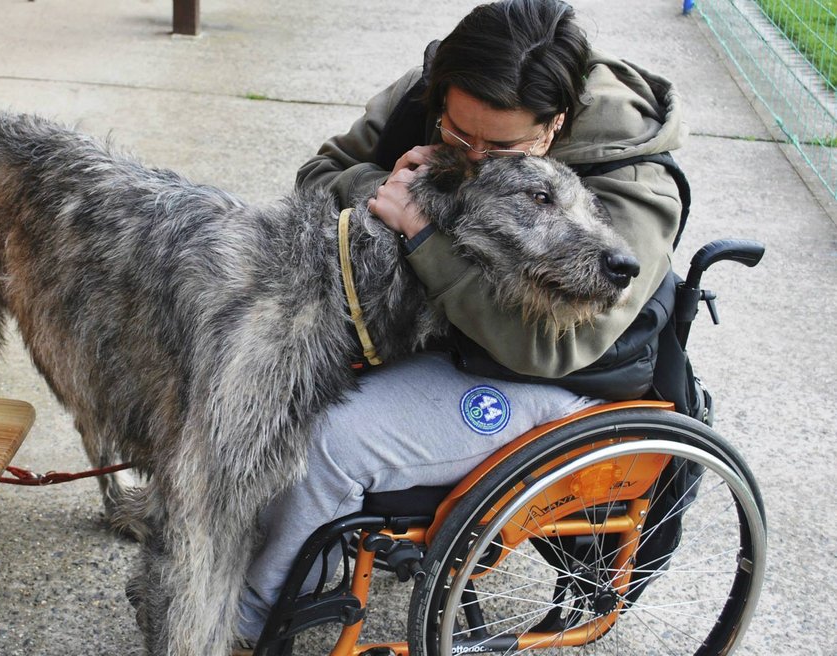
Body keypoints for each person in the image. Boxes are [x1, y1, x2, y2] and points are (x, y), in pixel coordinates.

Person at [235, 0, 686, 647]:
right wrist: (383, 184)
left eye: (498, 147)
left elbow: (553, 345)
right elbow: (319, 175)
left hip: (560, 372)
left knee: (335, 438)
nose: (470, 158)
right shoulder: (446, 87)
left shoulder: (631, 176)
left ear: (554, 126)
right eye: (456, 136)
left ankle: (253, 613)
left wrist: (424, 232)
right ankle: (256, 535)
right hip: (443, 334)